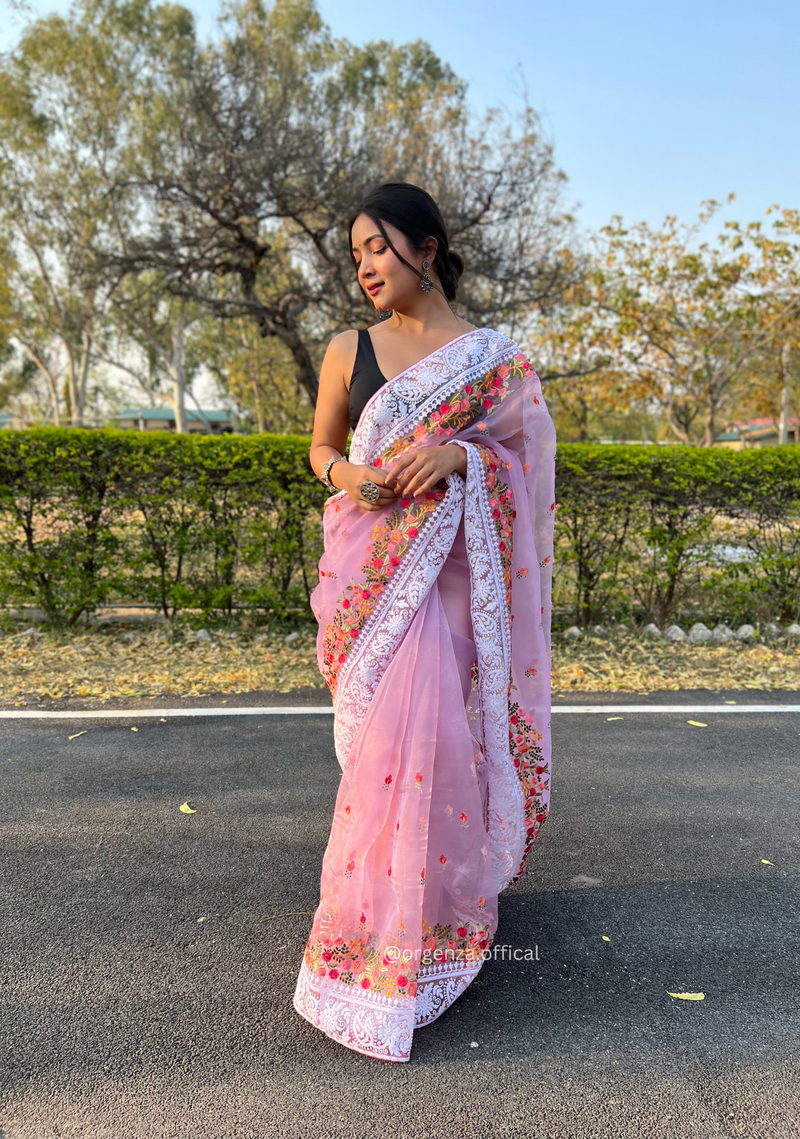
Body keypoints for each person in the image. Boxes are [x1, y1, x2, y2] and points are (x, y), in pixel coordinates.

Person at [292, 181, 556, 1062]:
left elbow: (527, 459)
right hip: (375, 579)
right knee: (382, 752)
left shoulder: (495, 362)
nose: (365, 265)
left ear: (427, 247)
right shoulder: (347, 350)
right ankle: (371, 918)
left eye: (377, 246)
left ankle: (438, 921)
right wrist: (351, 480)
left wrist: (464, 454)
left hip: (454, 578)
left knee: (439, 745)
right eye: (357, 252)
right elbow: (322, 450)